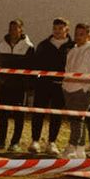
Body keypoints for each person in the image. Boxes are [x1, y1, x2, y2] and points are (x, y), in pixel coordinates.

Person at [28, 18, 72, 155]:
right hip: (43, 84)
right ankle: (35, 141)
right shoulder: (44, 45)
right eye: (55, 28)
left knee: (56, 114)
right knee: (38, 112)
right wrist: (34, 82)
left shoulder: (73, 46)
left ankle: (51, 142)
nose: (57, 31)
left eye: (60, 28)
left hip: (61, 85)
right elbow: (35, 64)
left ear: (66, 30)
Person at [0, 19, 32, 151]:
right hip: (5, 85)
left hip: (20, 87)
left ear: (21, 29)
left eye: (16, 28)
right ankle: (1, 140)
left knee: (19, 115)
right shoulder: (1, 45)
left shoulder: (28, 47)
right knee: (2, 114)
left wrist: (27, 85)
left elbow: (31, 67)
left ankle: (15, 142)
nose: (12, 30)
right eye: (11, 28)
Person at [61, 23, 90, 159]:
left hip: (84, 89)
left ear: (88, 35)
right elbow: (68, 69)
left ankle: (72, 145)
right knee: (76, 120)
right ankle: (80, 149)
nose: (78, 37)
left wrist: (84, 89)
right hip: (69, 88)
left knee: (78, 119)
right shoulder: (72, 50)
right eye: (76, 34)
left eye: (81, 34)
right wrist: (65, 85)